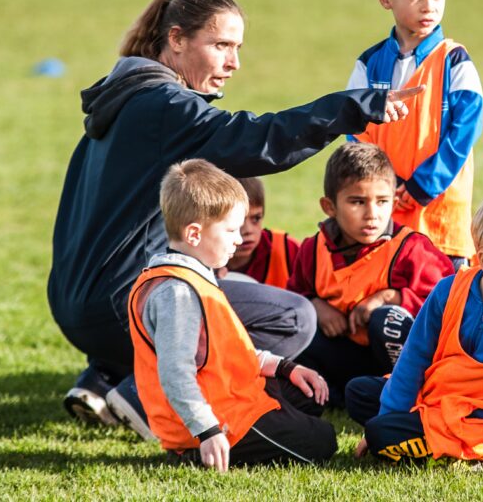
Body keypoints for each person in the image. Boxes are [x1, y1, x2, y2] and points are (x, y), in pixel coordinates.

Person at [48, 0, 420, 435]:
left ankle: (104, 378)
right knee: (293, 318)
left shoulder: (121, 101)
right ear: (176, 39)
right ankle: (146, 395)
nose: (233, 63)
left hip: (75, 304)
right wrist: (353, 107)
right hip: (120, 309)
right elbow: (259, 139)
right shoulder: (165, 106)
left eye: (237, 48)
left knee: (198, 265)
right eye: (221, 45)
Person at [345, 188, 483, 482]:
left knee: (382, 433)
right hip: (441, 396)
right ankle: (413, 431)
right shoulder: (449, 291)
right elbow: (413, 359)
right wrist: (388, 416)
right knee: (359, 393)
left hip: (482, 423)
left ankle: (471, 451)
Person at [128, 159, 335, 469]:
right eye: (230, 230)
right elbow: (176, 374)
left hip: (233, 397)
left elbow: (231, 351)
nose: (239, 238)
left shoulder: (197, 277)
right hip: (218, 419)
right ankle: (195, 452)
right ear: (194, 234)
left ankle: (268, 419)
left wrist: (284, 367)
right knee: (323, 440)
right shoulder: (177, 293)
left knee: (309, 395)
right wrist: (207, 431)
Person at [347, 0, 483, 270]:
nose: (429, 6)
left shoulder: (455, 61)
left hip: (441, 217)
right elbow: (355, 132)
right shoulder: (369, 64)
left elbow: (465, 131)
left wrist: (425, 183)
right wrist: (385, 183)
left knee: (445, 294)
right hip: (387, 210)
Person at [288, 142, 454, 405]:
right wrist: (316, 306)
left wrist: (390, 297)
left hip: (398, 360)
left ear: (395, 203)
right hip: (345, 352)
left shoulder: (412, 249)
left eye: (382, 202)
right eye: (357, 202)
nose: (372, 214)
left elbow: (449, 306)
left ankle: (408, 394)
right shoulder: (313, 248)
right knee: (297, 322)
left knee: (386, 320)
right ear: (329, 206)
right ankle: (335, 396)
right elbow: (293, 298)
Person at [222, 177, 300, 288]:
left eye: (256, 218)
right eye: (237, 220)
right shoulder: (199, 257)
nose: (248, 230)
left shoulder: (287, 249)